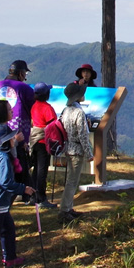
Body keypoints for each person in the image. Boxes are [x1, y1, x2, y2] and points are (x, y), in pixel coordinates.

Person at [0, 101, 34, 268]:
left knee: (8, 228)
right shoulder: (3, 157)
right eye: (9, 110)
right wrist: (23, 188)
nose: (12, 112)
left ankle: (10, 258)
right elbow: (5, 182)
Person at [58, 82, 92, 223]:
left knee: (71, 180)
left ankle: (69, 208)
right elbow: (83, 134)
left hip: (68, 148)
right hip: (77, 150)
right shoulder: (79, 112)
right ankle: (64, 210)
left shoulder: (66, 110)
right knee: (72, 182)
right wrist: (89, 153)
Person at [27, 83, 57, 207]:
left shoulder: (34, 106)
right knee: (42, 170)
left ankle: (33, 196)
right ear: (47, 94)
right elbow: (53, 126)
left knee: (35, 170)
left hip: (34, 140)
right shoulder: (47, 108)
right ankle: (41, 198)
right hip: (44, 141)